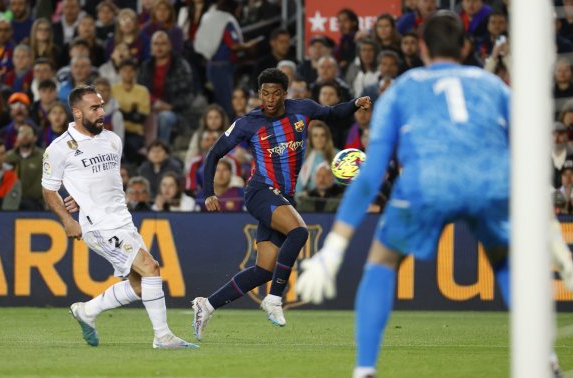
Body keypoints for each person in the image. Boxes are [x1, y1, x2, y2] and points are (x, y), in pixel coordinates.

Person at [295, 11, 573, 378]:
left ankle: (364, 373)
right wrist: (549, 229)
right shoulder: (494, 85)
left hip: (427, 185)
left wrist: (335, 248)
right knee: (507, 262)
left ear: (422, 48)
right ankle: (545, 359)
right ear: (465, 47)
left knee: (382, 261)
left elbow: (372, 172)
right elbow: (529, 158)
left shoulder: (403, 88)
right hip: (489, 186)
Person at [190, 68, 371, 340]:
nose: (270, 98)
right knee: (299, 232)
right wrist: (208, 193)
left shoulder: (303, 109)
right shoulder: (248, 122)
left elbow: (333, 114)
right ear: (259, 94)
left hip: (283, 197)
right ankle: (274, 299)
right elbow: (214, 153)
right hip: (260, 191)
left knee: (264, 269)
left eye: (276, 93)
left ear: (285, 94)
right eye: (265, 93)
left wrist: (355, 104)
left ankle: (207, 305)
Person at [41, 85, 196, 349]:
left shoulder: (113, 139)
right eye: (94, 108)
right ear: (77, 112)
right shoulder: (59, 148)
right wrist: (68, 219)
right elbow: (49, 188)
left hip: (123, 220)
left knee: (139, 285)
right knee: (151, 267)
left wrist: (81, 195)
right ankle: (163, 336)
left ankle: (87, 311)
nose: (101, 112)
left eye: (101, 105)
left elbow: (102, 181)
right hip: (98, 225)